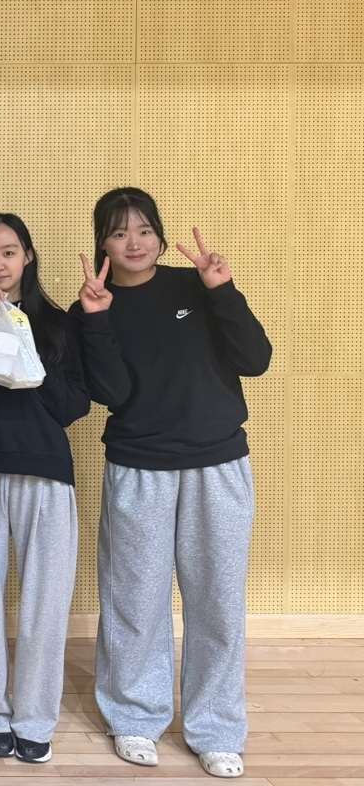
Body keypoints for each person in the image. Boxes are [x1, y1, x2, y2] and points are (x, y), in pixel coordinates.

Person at [83, 189, 271, 779]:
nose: (134, 242)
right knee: (134, 600)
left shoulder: (198, 285)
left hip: (218, 463)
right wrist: (95, 321)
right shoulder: (94, 305)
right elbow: (111, 393)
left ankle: (216, 729)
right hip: (139, 467)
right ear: (102, 243)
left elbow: (256, 359)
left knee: (218, 603)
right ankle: (135, 719)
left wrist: (223, 290)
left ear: (160, 236)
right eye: (119, 233)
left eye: (144, 230)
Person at [0, 213, 127, 765]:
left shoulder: (59, 324)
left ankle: (35, 719)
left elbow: (75, 406)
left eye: (8, 252)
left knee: (46, 603)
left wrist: (21, 344)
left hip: (46, 471)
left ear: (27, 256)